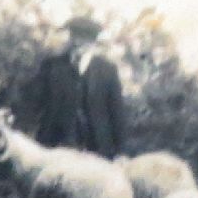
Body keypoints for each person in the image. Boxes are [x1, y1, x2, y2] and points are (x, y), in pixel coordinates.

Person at [27, 15, 127, 159]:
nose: (79, 43)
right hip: (57, 143)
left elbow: (117, 111)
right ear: (70, 39)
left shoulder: (107, 69)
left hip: (97, 145)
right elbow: (34, 101)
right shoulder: (52, 66)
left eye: (85, 40)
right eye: (76, 38)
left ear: (93, 43)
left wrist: (121, 151)